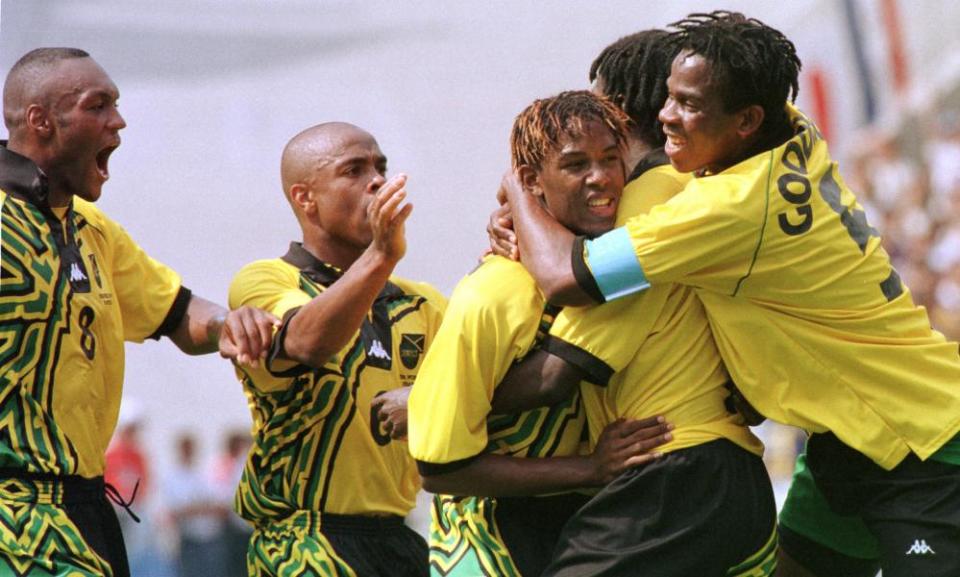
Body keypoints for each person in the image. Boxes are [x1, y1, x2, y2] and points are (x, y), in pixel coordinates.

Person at [499, 12, 960, 577]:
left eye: (689, 105)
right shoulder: (788, 128)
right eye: (667, 98)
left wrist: (523, 184)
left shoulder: (722, 209)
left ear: (745, 120)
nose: (669, 116)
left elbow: (565, 280)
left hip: (925, 443)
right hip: (846, 438)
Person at [489, 44, 776, 577]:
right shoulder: (702, 188)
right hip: (722, 474)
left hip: (677, 473)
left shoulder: (650, 200)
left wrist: (435, 399)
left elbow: (556, 369)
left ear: (617, 114)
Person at [0, 47, 277, 577]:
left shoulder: (94, 231)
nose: (118, 120)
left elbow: (178, 316)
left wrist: (230, 323)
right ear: (40, 121)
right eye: (97, 106)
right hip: (13, 520)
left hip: (86, 514)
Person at [405, 90, 675, 577]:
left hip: (582, 525)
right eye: (576, 165)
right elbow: (440, 471)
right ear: (532, 182)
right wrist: (590, 468)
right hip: (489, 543)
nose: (601, 177)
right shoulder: (494, 292)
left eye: (611, 159)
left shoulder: (615, 267)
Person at [228, 121, 445, 577]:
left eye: (381, 167)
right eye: (354, 170)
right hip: (305, 542)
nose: (378, 181)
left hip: (399, 541)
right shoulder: (267, 279)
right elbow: (309, 342)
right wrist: (381, 255)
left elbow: (487, 377)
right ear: (306, 198)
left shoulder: (421, 302)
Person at [162, 433, 229, 577]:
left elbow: (222, 507)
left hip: (211, 537)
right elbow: (174, 512)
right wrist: (202, 508)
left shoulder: (205, 473)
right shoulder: (172, 477)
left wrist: (195, 509)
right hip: (189, 538)